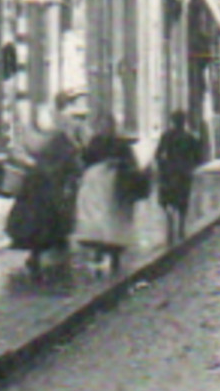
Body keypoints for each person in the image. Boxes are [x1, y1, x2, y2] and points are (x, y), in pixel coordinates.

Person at [5, 90, 86, 280]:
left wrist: (30, 163)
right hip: (53, 188)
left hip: (33, 187)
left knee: (35, 223)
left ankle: (37, 256)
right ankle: (56, 263)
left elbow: (17, 153)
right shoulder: (60, 138)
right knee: (54, 223)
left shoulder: (28, 136)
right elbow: (73, 161)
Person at [73, 109, 146, 275]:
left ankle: (109, 254)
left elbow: (86, 159)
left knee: (108, 219)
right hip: (101, 186)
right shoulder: (107, 143)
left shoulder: (105, 143)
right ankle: (106, 253)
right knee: (106, 219)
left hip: (111, 186)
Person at [155, 110, 204, 246]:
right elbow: (199, 157)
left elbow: (158, 154)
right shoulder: (190, 138)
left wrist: (162, 167)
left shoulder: (166, 136)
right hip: (183, 173)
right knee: (182, 200)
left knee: (168, 200)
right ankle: (181, 227)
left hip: (170, 172)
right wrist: (190, 166)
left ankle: (170, 225)